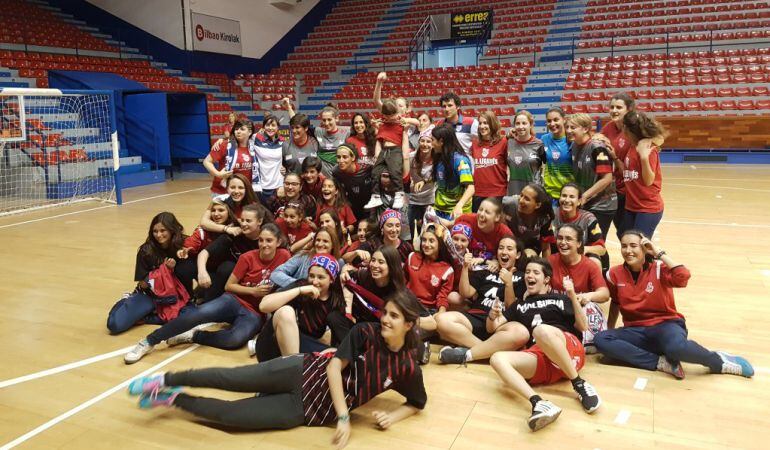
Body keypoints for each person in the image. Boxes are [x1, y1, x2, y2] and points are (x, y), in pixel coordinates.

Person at [127, 293, 427, 448]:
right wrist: (344, 416)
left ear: (409, 324)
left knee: (231, 417)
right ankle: (164, 378)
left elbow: (417, 402)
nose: (385, 319)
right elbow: (335, 367)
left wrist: (393, 415)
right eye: (385, 312)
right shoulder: (366, 332)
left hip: (307, 410)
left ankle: (169, 397)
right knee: (229, 378)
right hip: (302, 370)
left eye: (394, 316)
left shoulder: (406, 367)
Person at [594, 231, 754, 379]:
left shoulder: (659, 268)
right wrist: (610, 329)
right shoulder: (614, 274)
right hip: (636, 330)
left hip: (666, 325)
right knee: (601, 340)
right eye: (624, 246)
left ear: (644, 248)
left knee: (676, 348)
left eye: (633, 246)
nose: (628, 250)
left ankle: (718, 361)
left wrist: (658, 253)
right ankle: (661, 363)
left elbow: (683, 276)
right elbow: (615, 302)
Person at [123, 224, 290, 364]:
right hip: (234, 300)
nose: (264, 244)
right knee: (199, 313)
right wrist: (252, 291)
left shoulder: (285, 257)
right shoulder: (247, 257)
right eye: (261, 240)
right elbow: (229, 286)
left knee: (235, 340)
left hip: (255, 313)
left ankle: (194, 336)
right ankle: (149, 341)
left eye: (269, 240)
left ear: (279, 242)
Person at [489, 258, 601, 431]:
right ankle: (539, 403)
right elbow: (494, 328)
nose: (529, 276)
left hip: (568, 348)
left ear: (546, 279)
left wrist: (571, 295)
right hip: (543, 357)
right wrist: (491, 316)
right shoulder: (520, 305)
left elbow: (583, 326)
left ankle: (579, 384)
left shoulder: (560, 298)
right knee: (497, 359)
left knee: (541, 330)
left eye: (535, 272)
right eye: (527, 272)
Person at [436, 236, 528, 365]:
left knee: (520, 333)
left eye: (509, 249)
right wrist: (465, 267)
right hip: (477, 316)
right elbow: (465, 292)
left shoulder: (522, 277)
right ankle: (484, 352)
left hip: (500, 323)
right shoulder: (486, 271)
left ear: (517, 254)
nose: (504, 252)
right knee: (441, 320)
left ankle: (469, 353)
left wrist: (508, 283)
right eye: (501, 248)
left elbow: (510, 307)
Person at [107, 212, 190, 334]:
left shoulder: (184, 243)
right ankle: (126, 301)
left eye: (163, 230)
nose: (158, 235)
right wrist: (164, 270)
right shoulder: (146, 250)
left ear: (172, 229)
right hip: (151, 295)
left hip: (174, 295)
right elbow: (143, 283)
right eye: (155, 231)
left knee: (188, 318)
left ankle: (148, 316)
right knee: (115, 325)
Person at [251, 254, 343, 361]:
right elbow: (263, 306)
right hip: (272, 345)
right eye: (311, 275)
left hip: (303, 346)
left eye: (321, 277)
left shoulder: (335, 301)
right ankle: (293, 369)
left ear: (331, 280)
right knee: (286, 311)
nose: (314, 281)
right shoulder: (302, 285)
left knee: (337, 355)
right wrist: (299, 290)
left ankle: (295, 368)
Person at [548, 223, 610, 349]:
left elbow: (604, 294)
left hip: (578, 313)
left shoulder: (589, 265)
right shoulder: (549, 261)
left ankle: (587, 340)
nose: (563, 242)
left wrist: (588, 295)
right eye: (560, 238)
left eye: (569, 239)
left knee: (591, 307)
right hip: (556, 311)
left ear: (579, 244)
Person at [331, 246, 408, 344]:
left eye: (381, 262)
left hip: (381, 332)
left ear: (391, 266)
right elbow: (346, 273)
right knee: (334, 317)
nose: (375, 265)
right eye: (373, 260)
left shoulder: (400, 292)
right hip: (359, 327)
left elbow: (424, 319)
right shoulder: (364, 276)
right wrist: (344, 275)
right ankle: (352, 351)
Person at [196, 204, 270, 302]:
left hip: (255, 279)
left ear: (259, 221)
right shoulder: (234, 235)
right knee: (226, 267)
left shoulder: (267, 240)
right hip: (231, 279)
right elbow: (204, 253)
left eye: (248, 221)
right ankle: (208, 301)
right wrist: (202, 272)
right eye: (242, 220)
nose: (243, 224)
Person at [406, 224, 455, 362]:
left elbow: (443, 296)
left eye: (431, 241)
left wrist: (440, 313)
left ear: (440, 244)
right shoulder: (412, 257)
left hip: (428, 312)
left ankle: (420, 350)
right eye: (424, 240)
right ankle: (418, 350)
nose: (426, 244)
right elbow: (403, 283)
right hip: (408, 306)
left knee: (409, 331)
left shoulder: (446, 269)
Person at [565, 113, 617, 239]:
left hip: (602, 205)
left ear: (585, 129)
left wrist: (584, 196)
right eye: (567, 127)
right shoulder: (574, 145)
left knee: (596, 244)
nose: (568, 131)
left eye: (573, 127)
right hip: (587, 202)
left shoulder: (597, 147)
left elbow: (607, 178)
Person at [621, 110, 666, 238]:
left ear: (626, 129)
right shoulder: (633, 145)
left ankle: (654, 258)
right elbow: (628, 172)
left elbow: (648, 181)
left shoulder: (647, 149)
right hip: (632, 206)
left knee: (640, 247)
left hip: (648, 208)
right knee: (628, 240)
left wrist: (644, 158)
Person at [597, 92, 635, 238]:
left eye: (619, 107)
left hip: (629, 191)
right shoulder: (609, 127)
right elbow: (598, 137)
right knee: (621, 232)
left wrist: (614, 157)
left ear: (629, 109)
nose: (614, 110)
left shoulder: (633, 130)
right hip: (614, 189)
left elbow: (630, 170)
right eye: (612, 107)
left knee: (628, 233)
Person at [551, 183, 607, 267]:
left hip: (581, 258)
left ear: (579, 201)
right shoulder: (551, 215)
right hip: (558, 257)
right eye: (564, 196)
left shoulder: (588, 219)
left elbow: (601, 249)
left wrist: (581, 249)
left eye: (571, 197)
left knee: (594, 260)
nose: (566, 200)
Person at [365, 99, 407, 210]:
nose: (390, 117)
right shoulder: (382, 124)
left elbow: (416, 122)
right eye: (387, 115)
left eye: (393, 114)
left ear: (397, 112)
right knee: (375, 171)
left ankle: (399, 194)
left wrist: (405, 120)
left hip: (395, 150)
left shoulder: (401, 122)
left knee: (395, 171)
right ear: (383, 114)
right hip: (384, 150)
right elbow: (379, 139)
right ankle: (376, 196)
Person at [270, 228, 343, 289]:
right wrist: (300, 286)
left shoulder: (339, 263)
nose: (320, 244)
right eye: (318, 240)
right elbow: (276, 273)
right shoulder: (302, 256)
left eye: (325, 241)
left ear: (333, 244)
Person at [204, 118, 258, 196]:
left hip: (244, 193)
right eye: (236, 129)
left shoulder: (254, 147)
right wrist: (218, 174)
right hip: (223, 192)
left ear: (249, 132)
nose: (238, 131)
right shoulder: (225, 145)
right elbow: (206, 161)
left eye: (242, 129)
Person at [431, 123, 474, 219]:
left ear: (441, 141)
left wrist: (459, 206)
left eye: (432, 140)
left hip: (457, 212)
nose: (431, 144)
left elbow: (471, 188)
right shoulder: (439, 157)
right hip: (439, 210)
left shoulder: (460, 161)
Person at [451, 197, 513, 261]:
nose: (482, 214)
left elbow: (511, 255)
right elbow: (450, 229)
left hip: (489, 266)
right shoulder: (467, 219)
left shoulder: (505, 233)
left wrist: (497, 262)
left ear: (497, 217)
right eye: (480, 210)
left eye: (487, 212)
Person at [503, 183, 555, 257]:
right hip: (508, 243)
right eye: (521, 195)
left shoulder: (545, 218)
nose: (520, 201)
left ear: (538, 205)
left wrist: (545, 267)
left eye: (526, 199)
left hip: (530, 247)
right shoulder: (508, 203)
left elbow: (546, 248)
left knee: (527, 257)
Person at [471, 111, 508, 211]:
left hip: (497, 193)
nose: (482, 126)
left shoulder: (503, 142)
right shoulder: (474, 144)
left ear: (492, 124)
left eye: (485, 123)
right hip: (478, 193)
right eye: (480, 123)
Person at [507, 110, 545, 196]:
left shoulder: (539, 144)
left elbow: (545, 167)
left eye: (524, 123)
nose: (521, 126)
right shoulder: (509, 142)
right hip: (513, 191)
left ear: (531, 125)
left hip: (533, 192)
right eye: (518, 123)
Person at [407, 125, 436, 237]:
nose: (425, 144)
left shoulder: (437, 158)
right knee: (413, 234)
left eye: (428, 141)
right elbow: (403, 172)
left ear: (433, 144)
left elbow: (437, 176)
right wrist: (408, 180)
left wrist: (424, 181)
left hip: (430, 201)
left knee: (429, 234)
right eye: (422, 141)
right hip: (413, 201)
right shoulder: (411, 157)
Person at [541, 107, 574, 204]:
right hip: (548, 194)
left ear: (564, 120)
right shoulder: (544, 139)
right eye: (549, 121)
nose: (552, 124)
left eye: (556, 120)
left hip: (568, 194)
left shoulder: (572, 139)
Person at [333, 143, 373, 221]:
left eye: (345, 157)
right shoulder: (336, 172)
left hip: (370, 206)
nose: (341, 161)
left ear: (353, 157)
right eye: (338, 157)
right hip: (352, 207)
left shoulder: (368, 168)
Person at [314, 104, 350, 176]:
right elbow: (300, 125)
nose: (326, 123)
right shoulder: (317, 131)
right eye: (324, 120)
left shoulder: (347, 131)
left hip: (341, 177)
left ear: (336, 118)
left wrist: (376, 128)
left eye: (329, 119)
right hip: (323, 178)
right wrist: (289, 107)